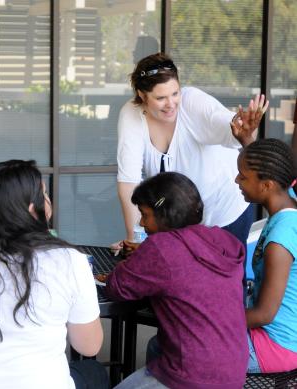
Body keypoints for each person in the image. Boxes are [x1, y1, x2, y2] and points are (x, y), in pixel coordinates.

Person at [106, 172, 248, 389]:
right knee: (157, 347)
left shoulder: (162, 248)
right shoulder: (223, 240)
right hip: (235, 370)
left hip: (192, 375)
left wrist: (136, 258)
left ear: (165, 214)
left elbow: (116, 287)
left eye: (145, 215)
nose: (142, 223)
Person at [116, 52, 269, 253]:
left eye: (175, 93)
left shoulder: (193, 101)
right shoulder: (131, 115)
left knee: (226, 281)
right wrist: (135, 238)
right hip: (180, 219)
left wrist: (243, 127)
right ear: (142, 95)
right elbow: (129, 181)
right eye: (160, 98)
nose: (171, 104)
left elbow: (224, 123)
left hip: (225, 210)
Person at [0, 160, 109, 389]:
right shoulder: (68, 260)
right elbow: (89, 347)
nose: (48, 201)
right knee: (93, 371)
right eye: (44, 195)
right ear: (31, 209)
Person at [235, 139, 297, 373]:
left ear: (267, 185)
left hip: (277, 345)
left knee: (174, 346)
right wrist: (247, 141)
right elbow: (274, 167)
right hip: (282, 336)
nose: (237, 180)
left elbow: (264, 314)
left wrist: (215, 321)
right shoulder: (287, 198)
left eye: (242, 176)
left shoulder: (280, 241)